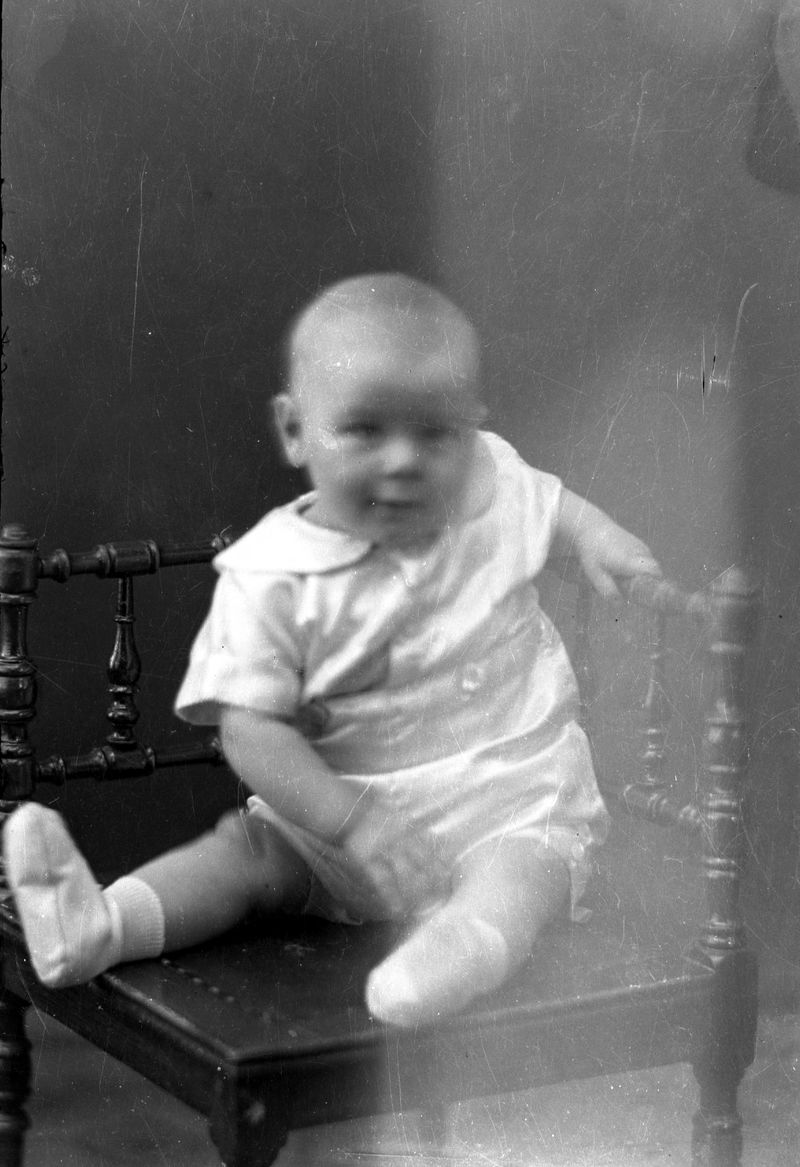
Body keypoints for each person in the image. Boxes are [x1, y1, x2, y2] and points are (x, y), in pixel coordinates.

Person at [3, 273, 661, 1028]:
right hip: (335, 822)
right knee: (245, 854)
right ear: (295, 430)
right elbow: (250, 730)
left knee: (523, 871)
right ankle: (102, 923)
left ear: (473, 430)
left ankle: (458, 949)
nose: (404, 459)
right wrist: (353, 823)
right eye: (364, 430)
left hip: (505, 802)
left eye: (437, 433)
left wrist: (601, 538)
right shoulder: (271, 574)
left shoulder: (488, 481)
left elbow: (553, 509)